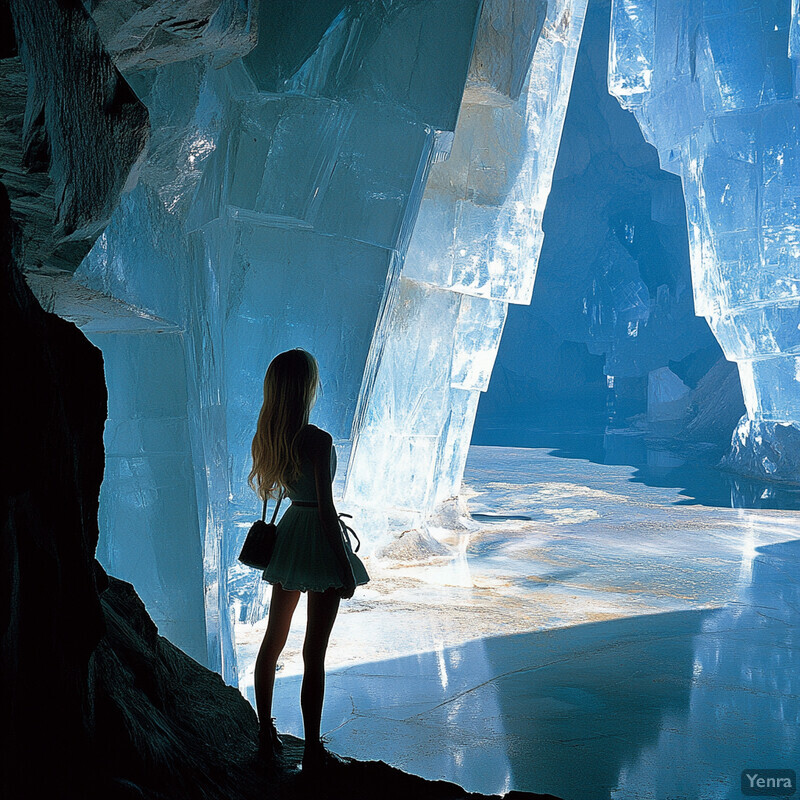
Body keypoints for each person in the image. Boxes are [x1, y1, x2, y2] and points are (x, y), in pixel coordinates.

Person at [248, 348, 370, 773]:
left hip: (289, 537)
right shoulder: (318, 440)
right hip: (317, 538)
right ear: (307, 386)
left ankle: (265, 730)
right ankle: (314, 749)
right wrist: (343, 564)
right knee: (312, 652)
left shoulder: (273, 435)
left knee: (272, 641)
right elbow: (325, 506)